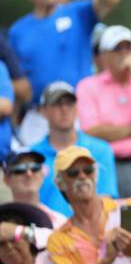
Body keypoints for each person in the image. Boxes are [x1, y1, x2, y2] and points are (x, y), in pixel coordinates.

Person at [9, 0, 121, 146]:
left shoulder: (76, 12)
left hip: (79, 109)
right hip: (39, 114)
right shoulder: (18, 31)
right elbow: (16, 78)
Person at [76, 25, 131, 197]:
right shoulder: (88, 86)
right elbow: (93, 132)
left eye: (128, 47)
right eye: (117, 49)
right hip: (104, 163)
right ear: (104, 56)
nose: (124, 53)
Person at [33, 81, 118, 217]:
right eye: (57, 104)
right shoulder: (32, 156)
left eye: (69, 103)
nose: (64, 109)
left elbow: (106, 199)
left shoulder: (101, 150)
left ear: (77, 107)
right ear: (43, 111)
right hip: (44, 231)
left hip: (90, 231)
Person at [3, 148, 66, 229]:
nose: (29, 174)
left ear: (43, 173)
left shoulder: (60, 221)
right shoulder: (2, 220)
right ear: (6, 179)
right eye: (20, 169)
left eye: (35, 168)